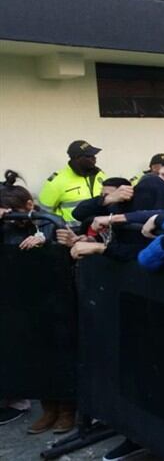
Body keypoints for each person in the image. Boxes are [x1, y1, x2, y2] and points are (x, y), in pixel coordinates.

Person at [1, 172, 78, 435]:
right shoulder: (7, 228)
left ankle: (67, 411)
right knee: (37, 355)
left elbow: (69, 251)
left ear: (28, 206)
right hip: (24, 301)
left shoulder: (49, 222)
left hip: (57, 301)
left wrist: (47, 242)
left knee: (61, 353)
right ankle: (49, 410)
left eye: (15, 212)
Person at [38, 140, 107, 229]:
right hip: (72, 232)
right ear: (77, 158)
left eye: (94, 155)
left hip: (98, 230)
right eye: (89, 156)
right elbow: (44, 214)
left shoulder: (100, 175)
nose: (94, 158)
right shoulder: (57, 180)